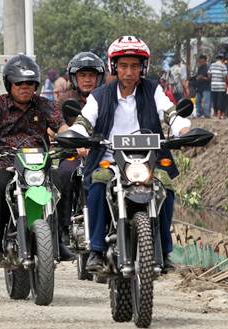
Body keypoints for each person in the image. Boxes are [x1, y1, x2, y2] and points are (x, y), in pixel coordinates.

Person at [70, 36, 191, 274]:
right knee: (97, 184)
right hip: (110, 160)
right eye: (123, 65)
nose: (129, 71)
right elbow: (84, 121)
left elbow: (170, 113)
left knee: (165, 186)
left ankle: (165, 251)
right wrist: (77, 135)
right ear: (114, 66)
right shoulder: (99, 96)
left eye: (135, 66)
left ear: (142, 67)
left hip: (148, 161)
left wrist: (183, 129)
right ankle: (95, 249)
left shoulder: (153, 90)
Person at [0, 54, 66, 264]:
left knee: (59, 181)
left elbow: (62, 127)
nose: (25, 87)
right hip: (5, 161)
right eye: (20, 83)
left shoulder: (44, 105)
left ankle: (59, 238)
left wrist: (73, 138)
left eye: (30, 83)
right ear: (9, 84)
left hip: (38, 163)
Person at [54, 51, 106, 260]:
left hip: (102, 153)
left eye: (91, 75)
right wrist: (71, 138)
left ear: (99, 77)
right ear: (75, 78)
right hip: (72, 154)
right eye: (83, 75)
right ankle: (63, 229)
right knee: (63, 175)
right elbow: (53, 126)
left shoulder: (107, 97)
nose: (87, 79)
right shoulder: (65, 99)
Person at [209, 53, 228, 119]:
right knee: (220, 100)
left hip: (213, 85)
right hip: (221, 86)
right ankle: (219, 115)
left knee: (214, 100)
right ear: (222, 59)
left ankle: (215, 113)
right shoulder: (223, 66)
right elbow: (224, 77)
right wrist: (226, 84)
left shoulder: (212, 65)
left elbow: (209, 75)